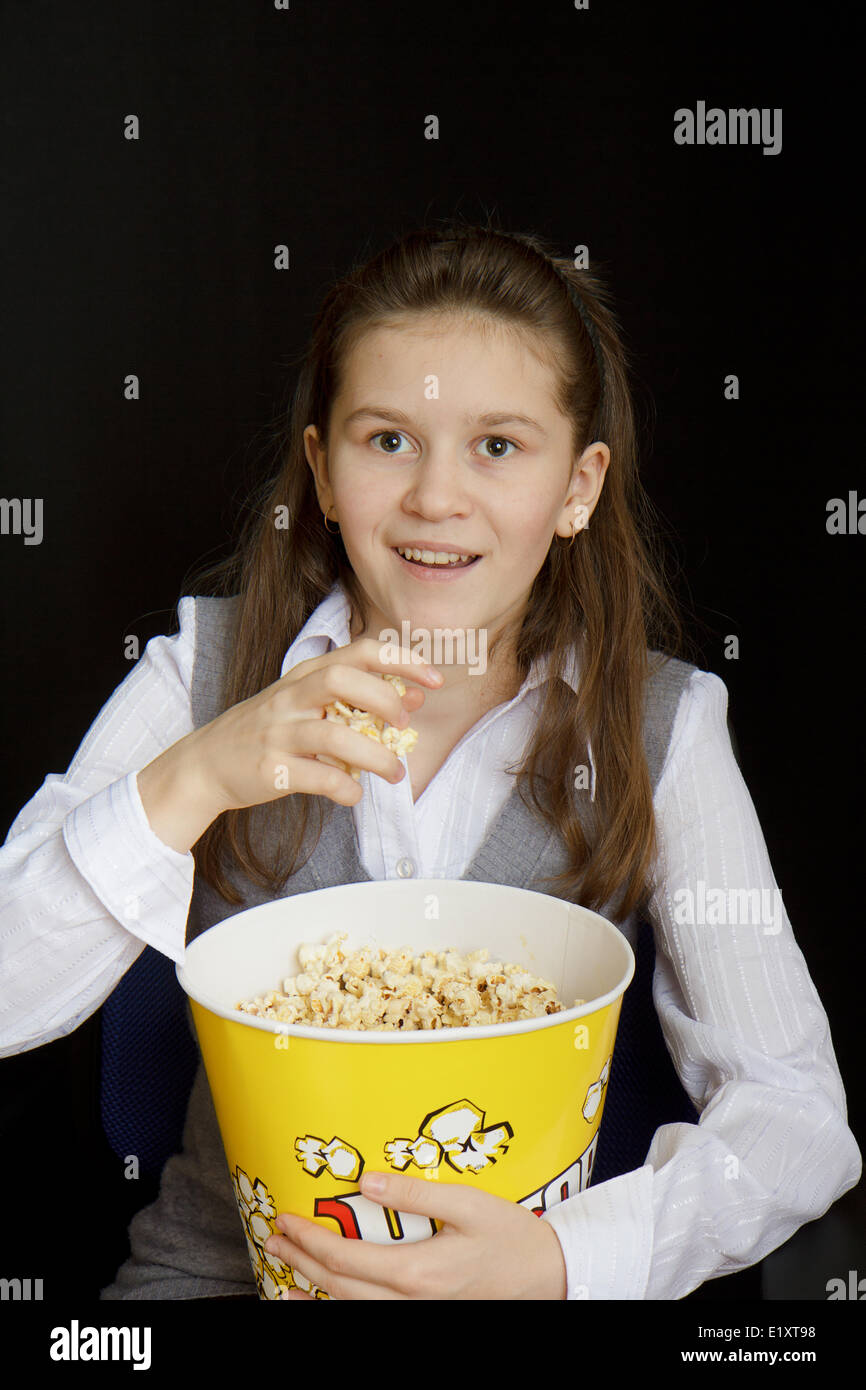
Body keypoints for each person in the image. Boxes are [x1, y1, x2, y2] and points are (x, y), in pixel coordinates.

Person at [0, 219, 859, 1301]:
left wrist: (559, 1260)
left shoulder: (662, 727)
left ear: (577, 487)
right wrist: (194, 779)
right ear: (320, 467)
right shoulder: (197, 675)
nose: (435, 499)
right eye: (387, 440)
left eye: (497, 446)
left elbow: (793, 1113)